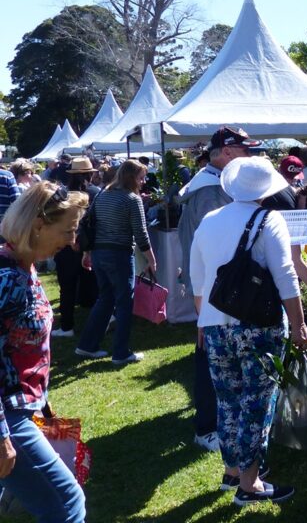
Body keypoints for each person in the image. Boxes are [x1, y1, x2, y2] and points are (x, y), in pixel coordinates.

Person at [190, 156, 307, 505]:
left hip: (215, 326)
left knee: (228, 400)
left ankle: (233, 470)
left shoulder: (210, 220)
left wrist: (202, 320)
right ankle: (249, 483)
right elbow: (286, 276)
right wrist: (300, 324)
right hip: (258, 326)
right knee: (257, 401)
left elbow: (197, 276)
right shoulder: (269, 220)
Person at [0, 182, 88, 522]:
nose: (72, 241)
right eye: (67, 231)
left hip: (21, 409)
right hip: (9, 417)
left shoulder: (23, 265)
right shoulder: (9, 279)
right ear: (38, 225)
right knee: (66, 504)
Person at [179, 126, 258, 452]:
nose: (250, 156)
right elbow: (213, 251)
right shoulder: (211, 191)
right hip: (214, 290)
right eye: (244, 151)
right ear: (226, 154)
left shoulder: (211, 183)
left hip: (215, 288)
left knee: (216, 355)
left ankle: (213, 420)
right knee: (210, 357)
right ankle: (207, 426)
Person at [75, 158, 156, 364]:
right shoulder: (132, 199)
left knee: (106, 299)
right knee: (123, 303)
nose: (143, 182)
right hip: (118, 255)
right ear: (131, 177)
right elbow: (141, 233)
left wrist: (87, 252)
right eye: (140, 178)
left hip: (100, 254)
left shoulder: (103, 194)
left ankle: (87, 345)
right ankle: (121, 352)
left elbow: (89, 224)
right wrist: (152, 260)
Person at [51, 158, 100, 338]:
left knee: (67, 287)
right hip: (91, 247)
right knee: (94, 286)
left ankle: (66, 326)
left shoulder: (61, 193)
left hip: (65, 245)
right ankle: (102, 321)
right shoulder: (97, 193)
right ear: (90, 173)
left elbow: (51, 217)